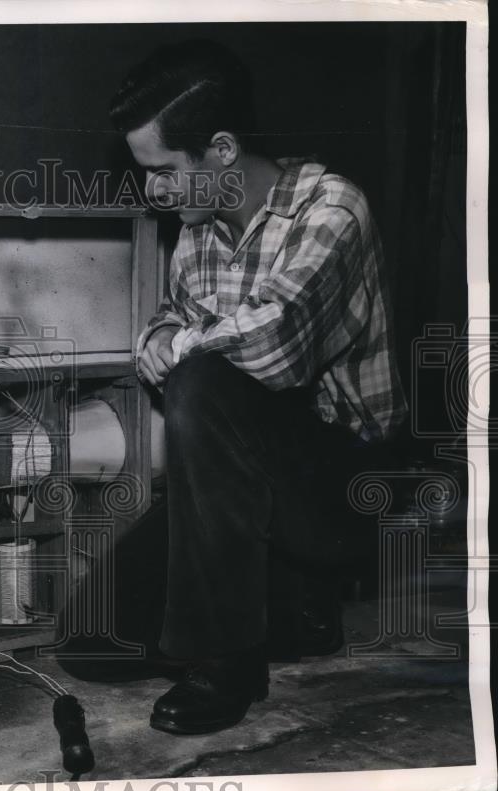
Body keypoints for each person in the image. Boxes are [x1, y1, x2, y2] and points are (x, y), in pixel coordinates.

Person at [103, 40, 409, 734]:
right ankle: (295, 609)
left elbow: (277, 341)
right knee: (94, 642)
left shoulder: (332, 208)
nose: (151, 191)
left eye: (161, 172)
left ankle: (230, 661)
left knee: (203, 380)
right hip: (246, 486)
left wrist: (178, 348)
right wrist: (156, 338)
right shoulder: (198, 228)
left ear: (219, 150)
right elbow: (173, 318)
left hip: (345, 484)